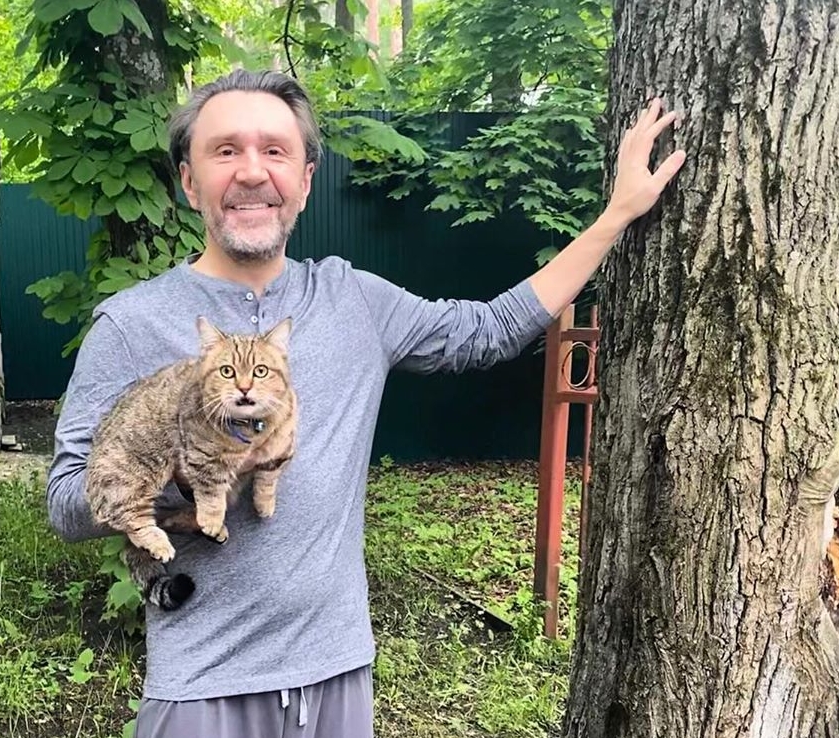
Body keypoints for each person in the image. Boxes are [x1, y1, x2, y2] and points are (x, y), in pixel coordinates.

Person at [46, 69, 686, 737]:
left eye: (275, 151)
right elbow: (66, 503)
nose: (252, 172)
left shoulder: (352, 301)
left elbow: (488, 330)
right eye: (225, 150)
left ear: (305, 181)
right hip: (202, 689)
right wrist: (189, 476)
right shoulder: (131, 323)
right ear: (188, 180)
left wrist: (616, 215)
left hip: (337, 675)